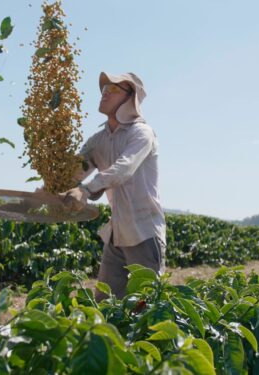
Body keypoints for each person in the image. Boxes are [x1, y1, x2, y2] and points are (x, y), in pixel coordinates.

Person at [60, 72, 166, 301]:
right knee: (105, 304)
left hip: (144, 232)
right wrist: (54, 180)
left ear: (131, 98)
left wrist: (86, 190)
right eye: (104, 88)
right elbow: (76, 171)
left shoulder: (141, 133)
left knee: (145, 305)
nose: (106, 91)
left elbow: (123, 169)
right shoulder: (98, 140)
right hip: (117, 234)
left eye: (114, 89)